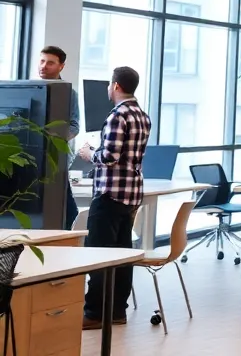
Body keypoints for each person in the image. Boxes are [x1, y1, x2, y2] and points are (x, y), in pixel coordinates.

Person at [75, 66, 151, 329]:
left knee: (98, 255)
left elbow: (109, 157)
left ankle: (94, 313)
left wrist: (88, 154)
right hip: (131, 194)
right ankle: (118, 311)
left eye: (109, 84)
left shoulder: (118, 116)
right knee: (122, 255)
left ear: (116, 86)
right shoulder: (142, 115)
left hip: (110, 194)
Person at [38, 45, 80, 230]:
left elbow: (74, 126)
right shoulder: (32, 88)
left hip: (56, 160)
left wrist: (52, 138)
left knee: (67, 212)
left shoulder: (68, 93)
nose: (44, 66)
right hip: (33, 159)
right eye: (42, 61)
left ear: (61, 66)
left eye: (50, 63)